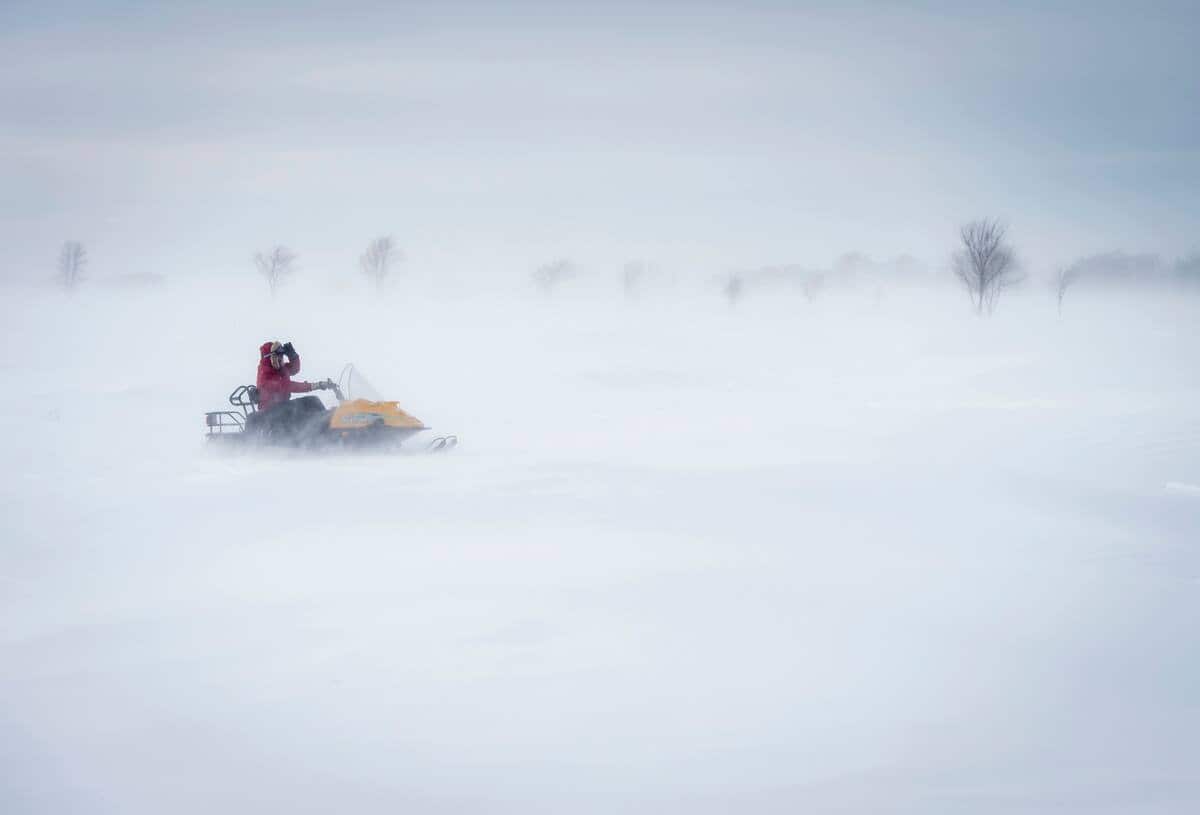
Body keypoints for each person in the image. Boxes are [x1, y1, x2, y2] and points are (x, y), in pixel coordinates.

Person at [249, 340, 334, 439]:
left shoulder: (280, 369)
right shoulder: (265, 375)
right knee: (297, 411)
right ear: (272, 358)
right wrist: (317, 385)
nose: (281, 359)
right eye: (278, 356)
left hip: (282, 406)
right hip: (270, 411)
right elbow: (288, 386)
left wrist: (293, 356)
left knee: (313, 400)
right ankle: (312, 434)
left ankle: (327, 425)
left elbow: (294, 369)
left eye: (282, 356)